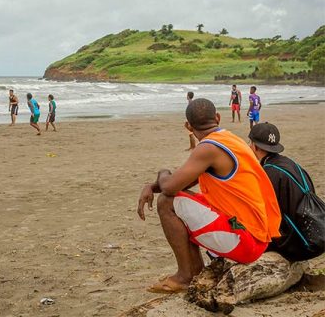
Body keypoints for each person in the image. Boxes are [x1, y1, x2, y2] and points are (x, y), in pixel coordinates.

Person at [137, 98, 281, 293]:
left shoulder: (208, 148)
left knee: (166, 203)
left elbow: (169, 188)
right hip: (257, 235)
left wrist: (162, 172)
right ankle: (194, 270)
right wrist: (153, 185)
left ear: (188, 126)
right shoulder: (230, 140)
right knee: (180, 199)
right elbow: (182, 183)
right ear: (218, 118)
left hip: (246, 241)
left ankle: (185, 276)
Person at [248, 122, 322, 261]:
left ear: (255, 146)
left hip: (300, 244)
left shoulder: (268, 173)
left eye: (250, 143)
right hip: (312, 233)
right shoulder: (290, 163)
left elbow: (263, 215)